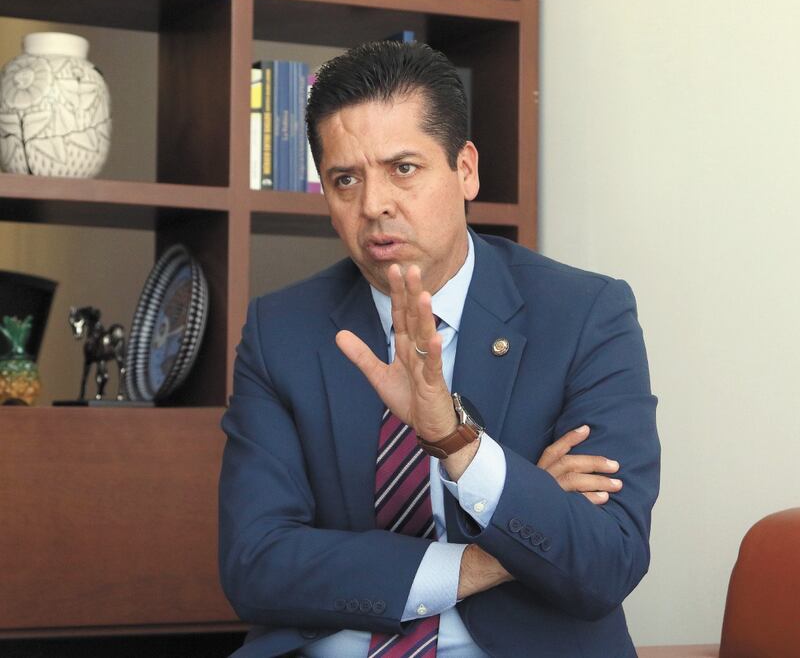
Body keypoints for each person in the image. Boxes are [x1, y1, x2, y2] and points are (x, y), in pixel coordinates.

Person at [219, 41, 660, 658]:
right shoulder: (282, 329)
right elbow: (256, 564)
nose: (373, 205)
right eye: (346, 179)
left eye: (403, 168)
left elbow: (606, 561)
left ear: (466, 170)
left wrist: (458, 446)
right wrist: (490, 554)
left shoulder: (585, 315)